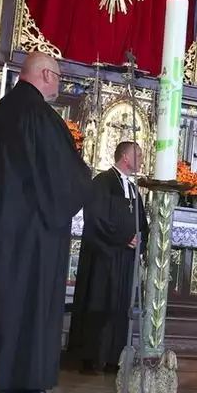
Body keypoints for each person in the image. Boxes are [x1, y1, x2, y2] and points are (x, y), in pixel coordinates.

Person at [0, 53, 91, 393]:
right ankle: (15, 380)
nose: (60, 85)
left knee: (1, 299)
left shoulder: (3, 109)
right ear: (47, 75)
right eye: (59, 77)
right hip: (30, 234)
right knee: (22, 303)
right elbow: (67, 175)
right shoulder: (39, 115)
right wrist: (85, 181)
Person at [69, 141, 149, 374]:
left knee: (121, 307)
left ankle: (116, 357)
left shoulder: (133, 188)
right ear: (125, 156)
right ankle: (92, 357)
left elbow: (141, 221)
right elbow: (96, 218)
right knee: (100, 302)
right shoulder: (102, 182)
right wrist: (124, 237)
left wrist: (139, 239)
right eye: (139, 155)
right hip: (104, 257)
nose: (142, 159)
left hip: (125, 259)